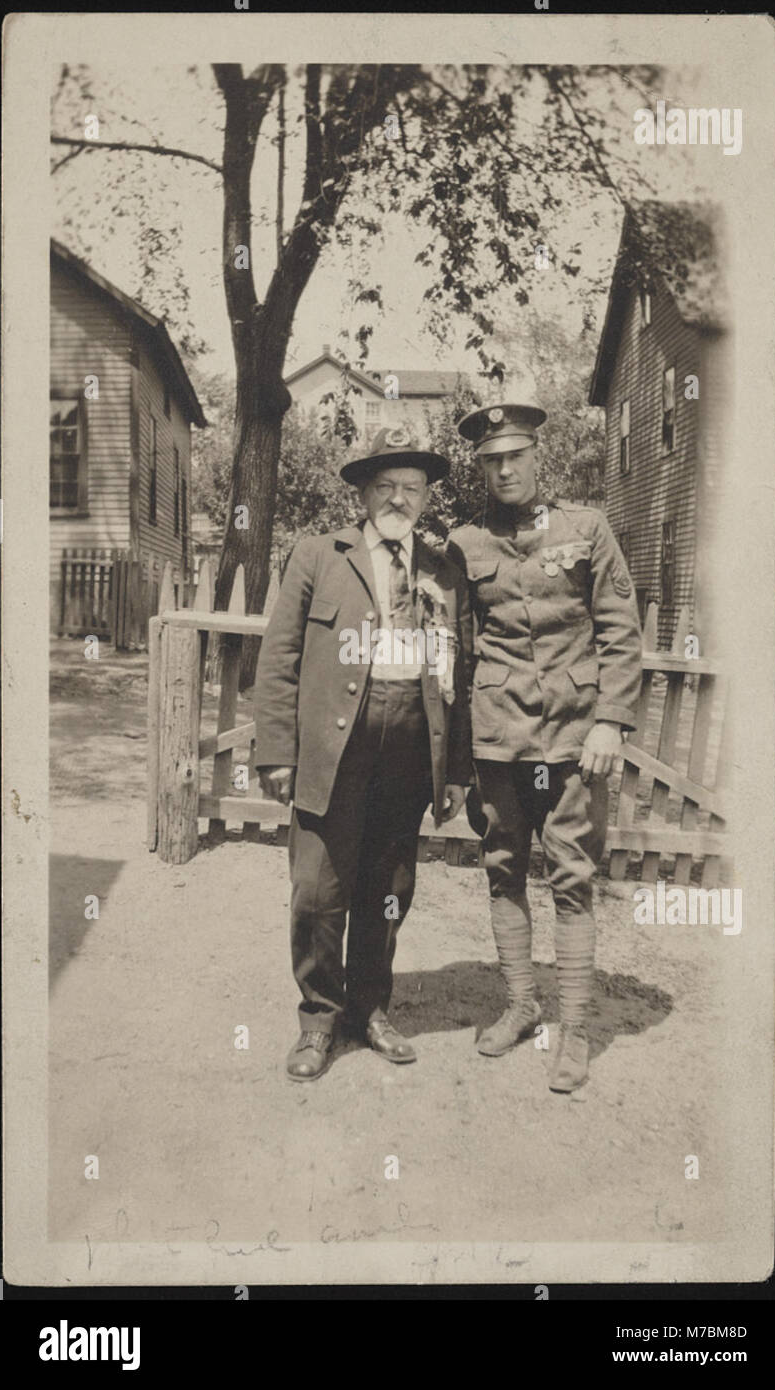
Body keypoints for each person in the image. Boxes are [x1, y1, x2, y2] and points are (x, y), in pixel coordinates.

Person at [253, 425, 472, 1082]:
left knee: (389, 888)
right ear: (363, 491)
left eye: (411, 486)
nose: (398, 498)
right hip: (333, 744)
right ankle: (319, 1021)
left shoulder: (443, 569)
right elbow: (280, 658)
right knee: (317, 889)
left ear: (428, 496)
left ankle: (370, 1009)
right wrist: (276, 751)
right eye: (385, 485)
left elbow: (462, 670)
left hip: (409, 743)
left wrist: (455, 769)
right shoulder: (320, 555)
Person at [446, 401, 642, 1092]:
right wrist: (459, 755)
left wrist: (610, 720)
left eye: (515, 456)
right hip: (500, 738)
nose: (504, 469)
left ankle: (576, 1030)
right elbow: (460, 651)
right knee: (502, 870)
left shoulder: (586, 529)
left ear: (537, 457)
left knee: (573, 878)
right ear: (480, 467)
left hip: (572, 740)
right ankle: (522, 1005)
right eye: (491, 460)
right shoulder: (464, 545)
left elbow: (620, 630)